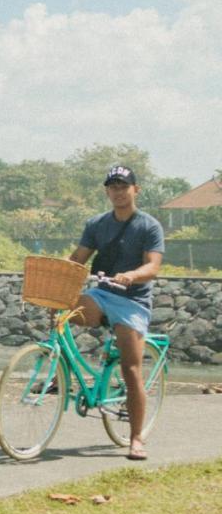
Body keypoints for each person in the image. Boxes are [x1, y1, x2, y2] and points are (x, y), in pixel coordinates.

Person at [68, 164, 164, 461]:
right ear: (107, 191)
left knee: (130, 368)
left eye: (124, 186)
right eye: (113, 187)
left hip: (132, 301)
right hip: (101, 293)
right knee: (65, 310)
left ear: (136, 190)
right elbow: (78, 258)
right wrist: (59, 272)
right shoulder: (96, 223)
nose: (118, 192)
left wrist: (132, 276)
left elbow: (153, 266)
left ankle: (136, 438)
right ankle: (60, 368)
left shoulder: (149, 226)